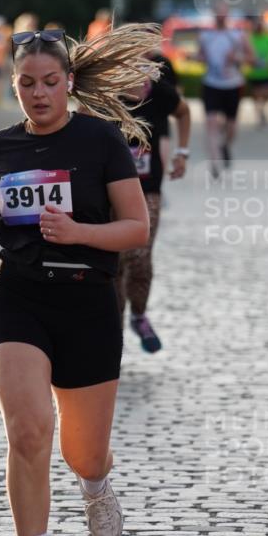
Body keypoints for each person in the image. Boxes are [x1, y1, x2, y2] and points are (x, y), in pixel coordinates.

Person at [0, 23, 162, 536]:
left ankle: (95, 483)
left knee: (83, 452)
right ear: (13, 86)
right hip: (19, 298)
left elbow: (136, 227)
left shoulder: (101, 143)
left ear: (68, 83)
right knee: (29, 431)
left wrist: (80, 233)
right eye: (25, 84)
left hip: (88, 303)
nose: (38, 94)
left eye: (49, 82)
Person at [117, 55, 191, 353]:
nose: (140, 75)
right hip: (110, 190)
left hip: (148, 188)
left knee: (140, 256)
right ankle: (114, 329)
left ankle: (138, 314)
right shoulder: (104, 95)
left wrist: (182, 153)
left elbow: (184, 114)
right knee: (116, 262)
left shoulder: (160, 92)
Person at [198, 3, 252, 177]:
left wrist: (236, 57)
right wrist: (198, 57)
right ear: (214, 16)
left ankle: (224, 145)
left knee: (231, 127)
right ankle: (215, 162)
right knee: (211, 123)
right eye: (218, 14)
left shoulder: (237, 35)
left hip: (233, 85)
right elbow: (201, 56)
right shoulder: (206, 36)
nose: (220, 17)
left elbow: (252, 57)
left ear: (228, 15)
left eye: (223, 14)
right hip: (211, 83)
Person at [246, 17, 268, 127]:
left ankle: (263, 112)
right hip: (255, 73)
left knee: (267, 95)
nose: (259, 27)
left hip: (266, 72)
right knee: (256, 96)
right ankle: (260, 115)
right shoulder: (250, 39)